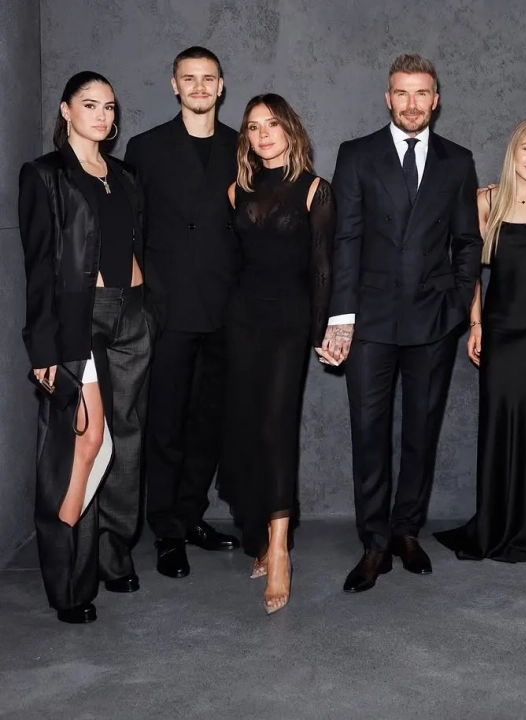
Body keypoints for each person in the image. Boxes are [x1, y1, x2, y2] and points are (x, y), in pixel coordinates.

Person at [325, 53, 482, 593]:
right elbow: (344, 239)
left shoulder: (457, 160)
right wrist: (341, 319)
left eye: (421, 93)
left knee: (421, 431)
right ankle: (374, 543)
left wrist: (457, 306)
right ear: (388, 98)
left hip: (432, 319)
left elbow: (467, 241)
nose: (412, 104)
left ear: (435, 100)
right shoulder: (357, 155)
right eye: (402, 93)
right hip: (370, 320)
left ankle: (406, 530)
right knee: (369, 433)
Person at [18, 71, 152, 623]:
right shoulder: (45, 175)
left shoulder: (123, 176)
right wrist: (43, 349)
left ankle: (112, 558)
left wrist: (147, 309)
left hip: (133, 314)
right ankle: (68, 580)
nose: (101, 115)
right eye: (90, 104)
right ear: (66, 110)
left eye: (109, 106)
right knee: (86, 440)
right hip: (79, 318)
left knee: (127, 440)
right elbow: (39, 269)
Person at [434, 119, 526, 562]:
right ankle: (500, 525)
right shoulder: (485, 201)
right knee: (500, 426)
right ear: (513, 151)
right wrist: (476, 323)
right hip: (501, 330)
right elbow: (468, 271)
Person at [217, 94, 335, 614]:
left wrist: (320, 333)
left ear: (290, 129)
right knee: (247, 429)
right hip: (242, 321)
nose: (263, 134)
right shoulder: (235, 190)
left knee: (276, 427)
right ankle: (263, 535)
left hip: (289, 322)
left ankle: (281, 549)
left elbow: (323, 268)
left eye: (271, 124)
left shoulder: (315, 189)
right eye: (252, 127)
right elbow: (232, 264)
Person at [125, 46, 240, 578]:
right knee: (166, 424)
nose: (198, 86)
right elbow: (132, 230)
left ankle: (192, 516)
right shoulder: (145, 148)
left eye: (207, 78)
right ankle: (167, 531)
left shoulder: (241, 146)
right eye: (188, 78)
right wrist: (145, 300)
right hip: (167, 310)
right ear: (174, 85)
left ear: (221, 86)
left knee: (209, 424)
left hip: (226, 308)